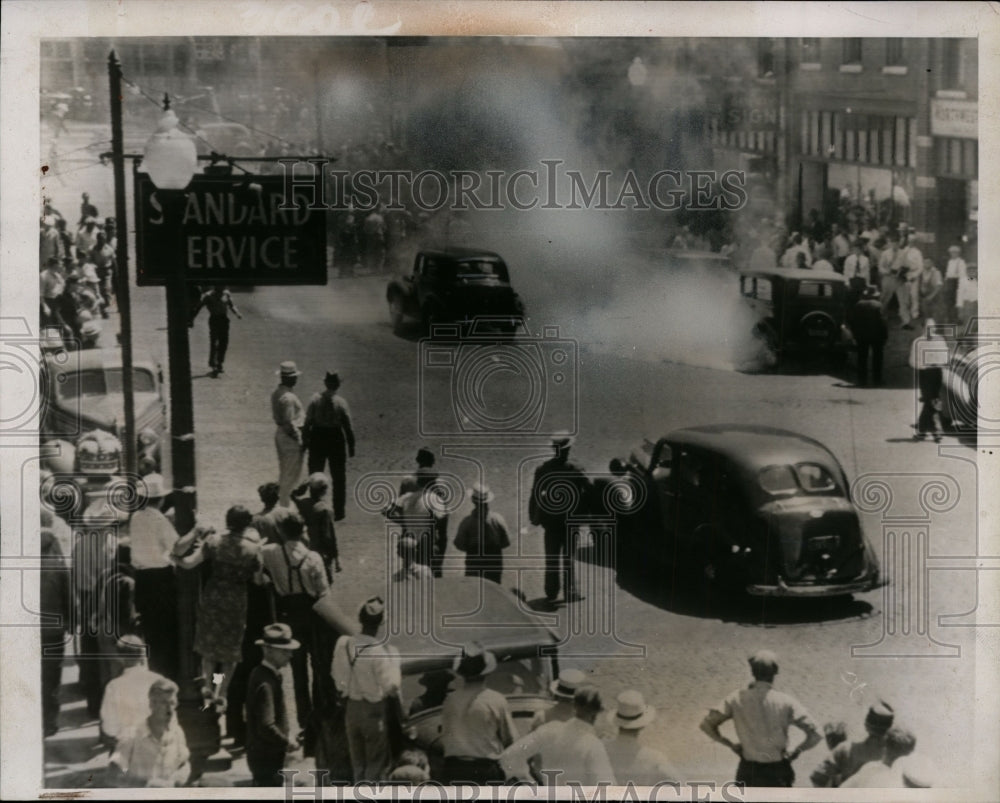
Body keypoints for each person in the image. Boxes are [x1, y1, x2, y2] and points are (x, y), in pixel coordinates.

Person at [173, 505, 263, 712]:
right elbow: (258, 580)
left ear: (227, 521)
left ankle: (208, 685)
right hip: (236, 600)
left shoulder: (214, 542)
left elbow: (189, 563)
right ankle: (221, 691)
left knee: (211, 646)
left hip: (213, 597)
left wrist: (174, 558)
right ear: (247, 524)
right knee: (229, 651)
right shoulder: (253, 549)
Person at [259, 513, 331, 752]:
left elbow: (258, 557)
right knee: (318, 666)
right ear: (303, 531)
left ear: (281, 531)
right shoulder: (313, 557)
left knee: (298, 671)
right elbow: (323, 591)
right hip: (312, 614)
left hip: (288, 615)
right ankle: (319, 718)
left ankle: (304, 722)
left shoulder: (271, 552)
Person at [699, 649, 821, 787]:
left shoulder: (736, 698)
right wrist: (796, 751)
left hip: (748, 770)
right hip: (778, 770)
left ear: (752, 672)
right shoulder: (786, 701)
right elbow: (816, 734)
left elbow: (706, 725)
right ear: (775, 671)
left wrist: (730, 744)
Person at [332, 596, 402, 782]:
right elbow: (392, 687)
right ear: (381, 622)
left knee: (357, 763)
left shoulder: (343, 644)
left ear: (359, 618)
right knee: (375, 765)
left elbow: (338, 679)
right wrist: (395, 661)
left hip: (351, 709)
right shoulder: (380, 651)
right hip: (373, 711)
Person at [499, 685, 616, 786]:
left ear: (574, 705)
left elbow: (509, 756)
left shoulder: (550, 729)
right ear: (596, 714)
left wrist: (528, 781)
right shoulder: (593, 745)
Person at [129, 473, 185, 680]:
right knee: (167, 632)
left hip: (142, 579)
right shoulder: (160, 520)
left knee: (151, 633)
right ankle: (170, 676)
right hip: (160, 579)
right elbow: (178, 547)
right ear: (161, 499)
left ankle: (155, 673)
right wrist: (197, 532)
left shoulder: (136, 517)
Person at [439, 643, 517, 784]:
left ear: (462, 673)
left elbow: (445, 735)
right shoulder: (495, 699)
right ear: (487, 673)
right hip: (485, 769)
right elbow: (510, 739)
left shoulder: (450, 700)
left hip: (454, 769)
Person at [529, 432, 592, 603]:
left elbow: (535, 494)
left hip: (550, 520)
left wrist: (533, 516)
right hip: (571, 520)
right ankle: (570, 592)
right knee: (569, 557)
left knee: (551, 557)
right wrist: (587, 512)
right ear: (568, 449)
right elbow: (589, 490)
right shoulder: (577, 468)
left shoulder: (543, 469)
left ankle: (551, 591)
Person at [246, 623, 302, 786]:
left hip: (262, 754)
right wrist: (286, 743)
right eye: (284, 651)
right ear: (268, 650)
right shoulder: (266, 682)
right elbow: (266, 725)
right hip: (267, 757)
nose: (290, 655)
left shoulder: (260, 673)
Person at [108, 678, 190, 788]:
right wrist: (147, 785)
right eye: (164, 703)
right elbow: (113, 775)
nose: (170, 710)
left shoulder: (177, 732)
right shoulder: (132, 734)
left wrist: (179, 780)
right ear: (152, 704)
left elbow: (184, 764)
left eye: (172, 703)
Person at [99, 636, 167, 751]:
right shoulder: (158, 680)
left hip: (127, 746)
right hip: (156, 746)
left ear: (120, 658)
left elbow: (109, 727)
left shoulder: (113, 686)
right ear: (142, 654)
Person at [303, 371, 356, 521]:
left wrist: (305, 440)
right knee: (339, 477)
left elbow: (307, 422)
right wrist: (351, 445)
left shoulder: (315, 399)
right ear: (337, 385)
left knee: (315, 473)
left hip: (318, 437)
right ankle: (339, 511)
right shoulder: (341, 402)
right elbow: (348, 426)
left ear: (325, 383)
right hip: (335, 438)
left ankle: (315, 506)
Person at [810, 701, 895, 787]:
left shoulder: (845, 748)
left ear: (866, 724)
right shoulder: (892, 757)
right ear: (889, 728)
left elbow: (817, 778)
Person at [604, 690, 679, 785]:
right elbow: (680, 784)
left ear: (617, 722)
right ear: (642, 725)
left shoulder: (600, 750)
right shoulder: (654, 758)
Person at [385, 467, 449, 578]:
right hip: (427, 542)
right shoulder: (435, 500)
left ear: (418, 481)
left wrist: (403, 521)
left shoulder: (406, 497)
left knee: (410, 572)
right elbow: (442, 522)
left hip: (409, 542)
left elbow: (386, 510)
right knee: (428, 574)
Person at [40, 528, 70, 737]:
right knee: (51, 675)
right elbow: (68, 592)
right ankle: (49, 721)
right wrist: (72, 620)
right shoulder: (57, 564)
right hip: (53, 629)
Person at [454, 482, 510, 585]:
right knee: (493, 589)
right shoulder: (497, 519)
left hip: (474, 563)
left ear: (473, 501)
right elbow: (506, 542)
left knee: (474, 588)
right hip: (494, 563)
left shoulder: (467, 522)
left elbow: (459, 544)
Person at [292, 473, 342, 579]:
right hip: (321, 552)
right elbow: (329, 536)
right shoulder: (325, 510)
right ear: (325, 490)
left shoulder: (304, 503)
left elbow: (292, 495)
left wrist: (302, 488)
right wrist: (336, 557)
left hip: (306, 549)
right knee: (325, 580)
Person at [272, 361, 306, 508]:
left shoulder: (277, 393)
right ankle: (285, 506)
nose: (296, 379)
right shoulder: (288, 398)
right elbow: (289, 422)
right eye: (294, 377)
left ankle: (283, 503)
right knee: (290, 474)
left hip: (281, 435)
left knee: (285, 471)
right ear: (289, 378)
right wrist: (299, 439)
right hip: (290, 438)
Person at [189, 284, 242, 375]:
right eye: (220, 285)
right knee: (214, 341)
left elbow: (231, 305)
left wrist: (237, 313)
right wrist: (191, 319)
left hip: (224, 319)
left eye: (223, 286)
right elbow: (198, 307)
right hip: (214, 319)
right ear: (215, 286)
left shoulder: (226, 294)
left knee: (224, 342)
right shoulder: (208, 296)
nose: (222, 287)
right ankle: (213, 364)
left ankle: (220, 362)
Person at [841, 727, 918, 788]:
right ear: (909, 753)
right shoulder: (907, 780)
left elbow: (843, 789)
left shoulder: (870, 768)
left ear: (885, 747)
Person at [909, 319, 948, 442]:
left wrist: (940, 362)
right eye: (928, 327)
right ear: (923, 328)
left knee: (933, 400)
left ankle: (922, 431)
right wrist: (924, 365)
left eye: (933, 327)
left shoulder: (940, 340)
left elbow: (945, 356)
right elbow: (912, 361)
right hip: (925, 374)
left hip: (937, 372)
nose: (931, 330)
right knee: (930, 400)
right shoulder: (918, 342)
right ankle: (936, 431)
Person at [848, 286, 889, 387]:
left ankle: (862, 380)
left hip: (862, 336)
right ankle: (877, 380)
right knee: (877, 358)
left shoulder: (858, 304)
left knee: (862, 358)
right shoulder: (879, 305)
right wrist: (885, 336)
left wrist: (855, 334)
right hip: (877, 336)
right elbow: (883, 322)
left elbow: (852, 321)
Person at [943, 244, 968, 324]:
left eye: (955, 252)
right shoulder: (950, 262)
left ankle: (957, 319)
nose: (953, 254)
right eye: (951, 252)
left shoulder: (961, 262)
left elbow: (962, 274)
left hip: (957, 282)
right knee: (949, 301)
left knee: (957, 301)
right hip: (949, 283)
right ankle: (950, 318)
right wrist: (946, 281)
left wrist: (961, 285)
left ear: (958, 253)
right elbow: (948, 273)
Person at [917, 257, 944, 325]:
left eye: (929, 262)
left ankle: (938, 328)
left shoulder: (936, 272)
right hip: (925, 296)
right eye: (925, 262)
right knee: (926, 314)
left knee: (936, 315)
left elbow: (939, 286)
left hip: (935, 296)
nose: (927, 264)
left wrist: (931, 296)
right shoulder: (921, 272)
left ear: (932, 263)